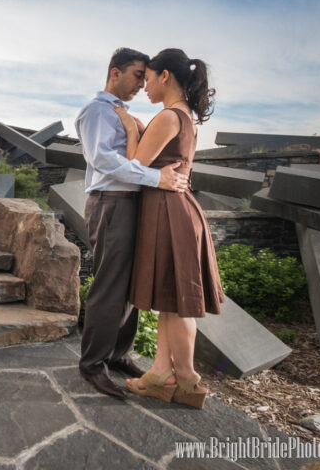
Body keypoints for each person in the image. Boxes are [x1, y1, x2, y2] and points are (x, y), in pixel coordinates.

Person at [75, 48, 189, 399]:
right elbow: (103, 160)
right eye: (138, 75)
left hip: (130, 203)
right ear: (115, 73)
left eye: (146, 76)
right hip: (110, 203)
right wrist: (157, 179)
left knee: (130, 286)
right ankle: (92, 363)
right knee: (110, 285)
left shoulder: (122, 113)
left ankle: (118, 353)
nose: (143, 83)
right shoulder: (97, 111)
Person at [114, 48, 225, 409]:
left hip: (168, 213)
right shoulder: (185, 115)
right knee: (169, 300)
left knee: (177, 305)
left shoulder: (167, 116)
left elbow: (135, 164)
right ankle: (160, 374)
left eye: (148, 79)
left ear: (164, 76)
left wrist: (132, 128)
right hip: (178, 210)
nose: (144, 86)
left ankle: (189, 380)